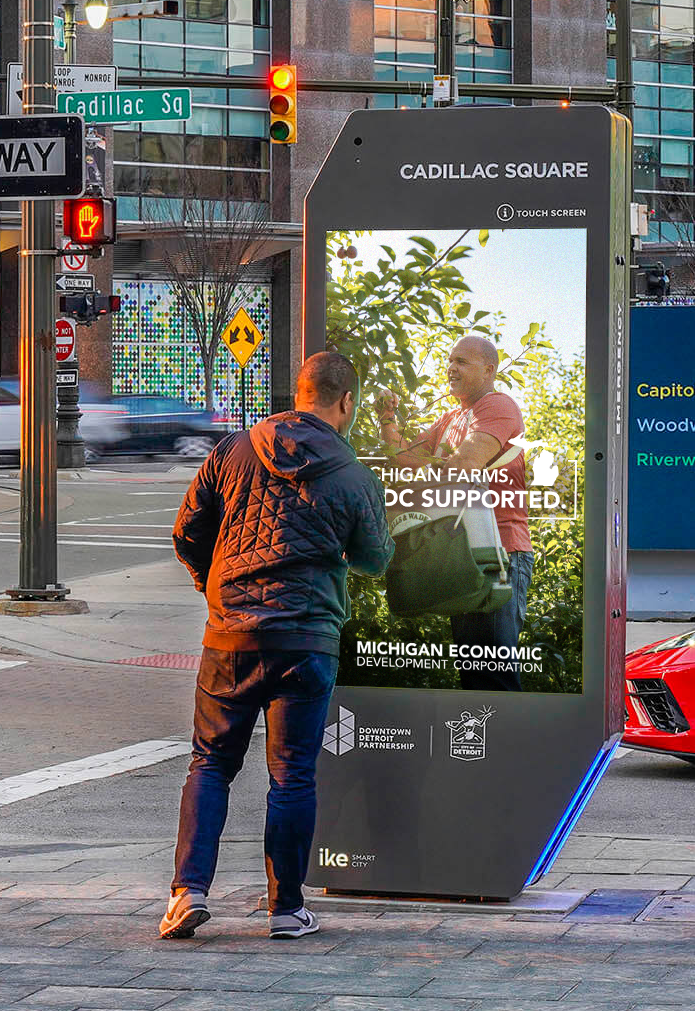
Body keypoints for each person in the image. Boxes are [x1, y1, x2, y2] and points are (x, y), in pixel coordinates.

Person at [163, 351, 394, 942]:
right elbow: (376, 558)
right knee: (292, 774)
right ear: (346, 401)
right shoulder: (351, 472)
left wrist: (214, 589)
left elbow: (187, 533)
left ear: (299, 392)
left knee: (211, 762)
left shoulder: (232, 450)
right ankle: (286, 910)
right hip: (307, 638)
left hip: (231, 636)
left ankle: (187, 893)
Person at [378, 335, 532, 692]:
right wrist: (388, 417)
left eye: (462, 361)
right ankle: (492, 745)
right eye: (450, 360)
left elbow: (464, 464)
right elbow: (401, 456)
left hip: (500, 552)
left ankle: (509, 746)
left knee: (493, 675)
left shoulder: (497, 406)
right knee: (474, 674)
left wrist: (422, 479)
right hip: (461, 551)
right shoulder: (449, 418)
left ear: (489, 369)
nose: (451, 368)